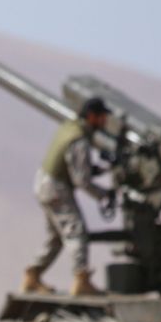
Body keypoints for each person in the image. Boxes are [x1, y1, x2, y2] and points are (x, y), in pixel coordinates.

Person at [22, 96, 115, 296]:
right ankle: (81, 280)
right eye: (102, 117)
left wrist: (98, 170)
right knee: (77, 232)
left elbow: (78, 168)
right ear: (92, 116)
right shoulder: (79, 139)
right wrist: (103, 195)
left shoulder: (70, 127)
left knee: (55, 237)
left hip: (44, 183)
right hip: (56, 187)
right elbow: (81, 180)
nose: (104, 122)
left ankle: (33, 275)